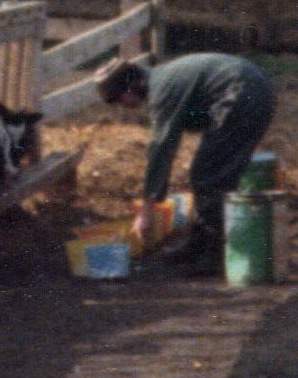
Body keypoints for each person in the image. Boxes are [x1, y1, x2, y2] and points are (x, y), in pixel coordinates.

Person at [97, 53, 274, 275]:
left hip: (242, 94)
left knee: (209, 175)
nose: (124, 106)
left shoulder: (162, 91)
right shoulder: (162, 80)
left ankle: (212, 257)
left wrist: (146, 210)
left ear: (131, 86)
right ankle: (198, 246)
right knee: (209, 173)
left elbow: (161, 149)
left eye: (120, 100)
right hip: (252, 90)